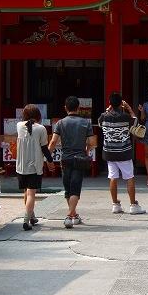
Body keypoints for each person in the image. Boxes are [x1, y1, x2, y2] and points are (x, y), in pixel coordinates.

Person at [49, 96, 96, 229]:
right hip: (80, 158)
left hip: (65, 158)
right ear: (78, 108)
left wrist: (48, 158)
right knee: (75, 188)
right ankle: (70, 215)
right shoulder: (85, 123)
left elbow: (53, 142)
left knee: (68, 189)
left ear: (65, 108)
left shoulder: (60, 123)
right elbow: (92, 142)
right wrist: (87, 150)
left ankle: (72, 215)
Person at [98, 92, 146, 215]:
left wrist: (108, 110)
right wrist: (129, 108)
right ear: (121, 104)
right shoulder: (125, 117)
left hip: (109, 153)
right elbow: (136, 123)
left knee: (113, 177)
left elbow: (99, 123)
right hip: (124, 152)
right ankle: (133, 205)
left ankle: (115, 204)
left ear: (110, 103)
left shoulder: (103, 117)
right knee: (129, 177)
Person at [16, 104, 54, 232]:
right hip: (35, 166)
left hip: (21, 166)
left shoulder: (19, 126)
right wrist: (50, 161)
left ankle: (32, 217)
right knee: (31, 193)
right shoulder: (41, 129)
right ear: (38, 115)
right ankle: (26, 220)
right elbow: (44, 148)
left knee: (26, 192)